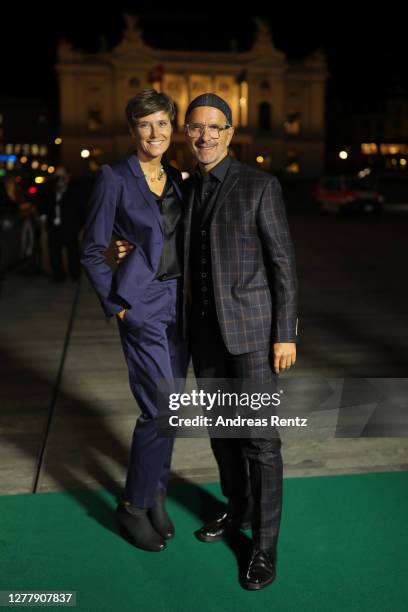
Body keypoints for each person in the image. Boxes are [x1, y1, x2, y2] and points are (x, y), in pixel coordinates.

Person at [81, 89, 188, 552]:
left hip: (182, 302)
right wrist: (118, 303)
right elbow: (91, 248)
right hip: (142, 303)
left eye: (163, 124)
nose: (155, 133)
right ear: (132, 130)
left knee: (174, 410)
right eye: (145, 124)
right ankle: (133, 505)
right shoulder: (114, 178)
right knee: (159, 408)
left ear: (171, 128)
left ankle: (157, 492)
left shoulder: (180, 179)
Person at [38, 166, 84, 282]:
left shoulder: (75, 190)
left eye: (61, 175)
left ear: (67, 176)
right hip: (54, 226)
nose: (59, 178)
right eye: (57, 176)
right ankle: (58, 275)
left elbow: (81, 209)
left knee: (72, 251)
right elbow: (44, 205)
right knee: (54, 252)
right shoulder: (51, 190)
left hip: (70, 226)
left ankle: (75, 275)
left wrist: (80, 226)